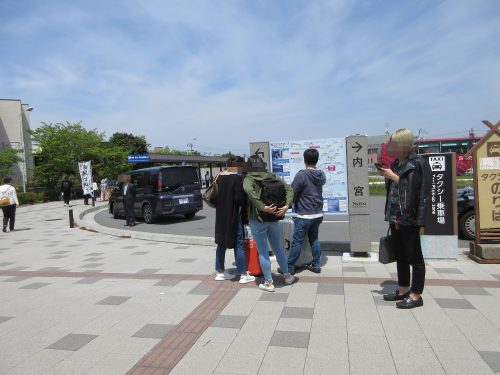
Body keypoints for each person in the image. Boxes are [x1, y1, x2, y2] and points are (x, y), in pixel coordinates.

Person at [378, 128, 431, 309]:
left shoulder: (418, 163)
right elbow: (395, 189)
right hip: (395, 217)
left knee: (414, 257)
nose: (390, 146)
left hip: (410, 217)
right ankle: (403, 289)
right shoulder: (396, 164)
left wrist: (395, 177)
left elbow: (417, 190)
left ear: (402, 144)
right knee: (400, 255)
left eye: (393, 143)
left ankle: (416, 295)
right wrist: (388, 176)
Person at [243, 155, 295, 292]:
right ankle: (287, 276)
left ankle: (268, 282)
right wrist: (286, 205)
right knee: (278, 248)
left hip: (258, 219)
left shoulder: (249, 178)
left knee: (263, 252)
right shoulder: (271, 176)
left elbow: (247, 189)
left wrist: (261, 206)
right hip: (274, 218)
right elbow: (289, 189)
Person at [214, 156, 256, 284]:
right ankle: (243, 274)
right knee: (238, 243)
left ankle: (219, 272)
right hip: (234, 215)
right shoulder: (238, 179)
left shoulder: (220, 177)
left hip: (221, 215)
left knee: (221, 243)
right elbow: (239, 200)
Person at [286, 148, 326, 274]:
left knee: (297, 241)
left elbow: (292, 192)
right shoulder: (321, 175)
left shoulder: (301, 175)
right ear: (317, 160)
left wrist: (287, 205)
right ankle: (316, 265)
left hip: (304, 214)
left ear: (304, 160)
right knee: (314, 239)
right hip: (318, 213)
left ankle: (290, 267)